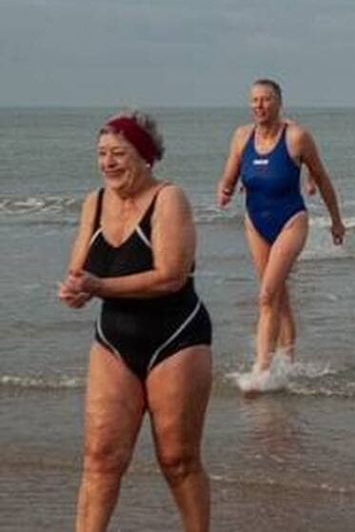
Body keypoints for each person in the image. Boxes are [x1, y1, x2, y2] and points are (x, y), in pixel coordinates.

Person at [58, 110, 213, 531]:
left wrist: (98, 286)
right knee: (101, 458)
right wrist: (74, 289)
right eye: (102, 153)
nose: (108, 162)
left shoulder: (169, 198)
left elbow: (170, 277)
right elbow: (80, 270)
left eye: (118, 153)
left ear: (145, 157)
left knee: (177, 460)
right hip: (114, 338)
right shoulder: (94, 202)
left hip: (177, 337)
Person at [217, 79, 345, 387]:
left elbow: (323, 179)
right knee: (278, 296)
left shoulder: (297, 138)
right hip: (255, 223)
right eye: (254, 100)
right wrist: (225, 191)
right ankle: (287, 361)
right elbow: (230, 177)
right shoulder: (241, 137)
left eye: (266, 100)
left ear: (279, 103)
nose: (259, 106)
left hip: (291, 221)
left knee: (266, 295)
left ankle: (261, 370)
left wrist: (336, 221)